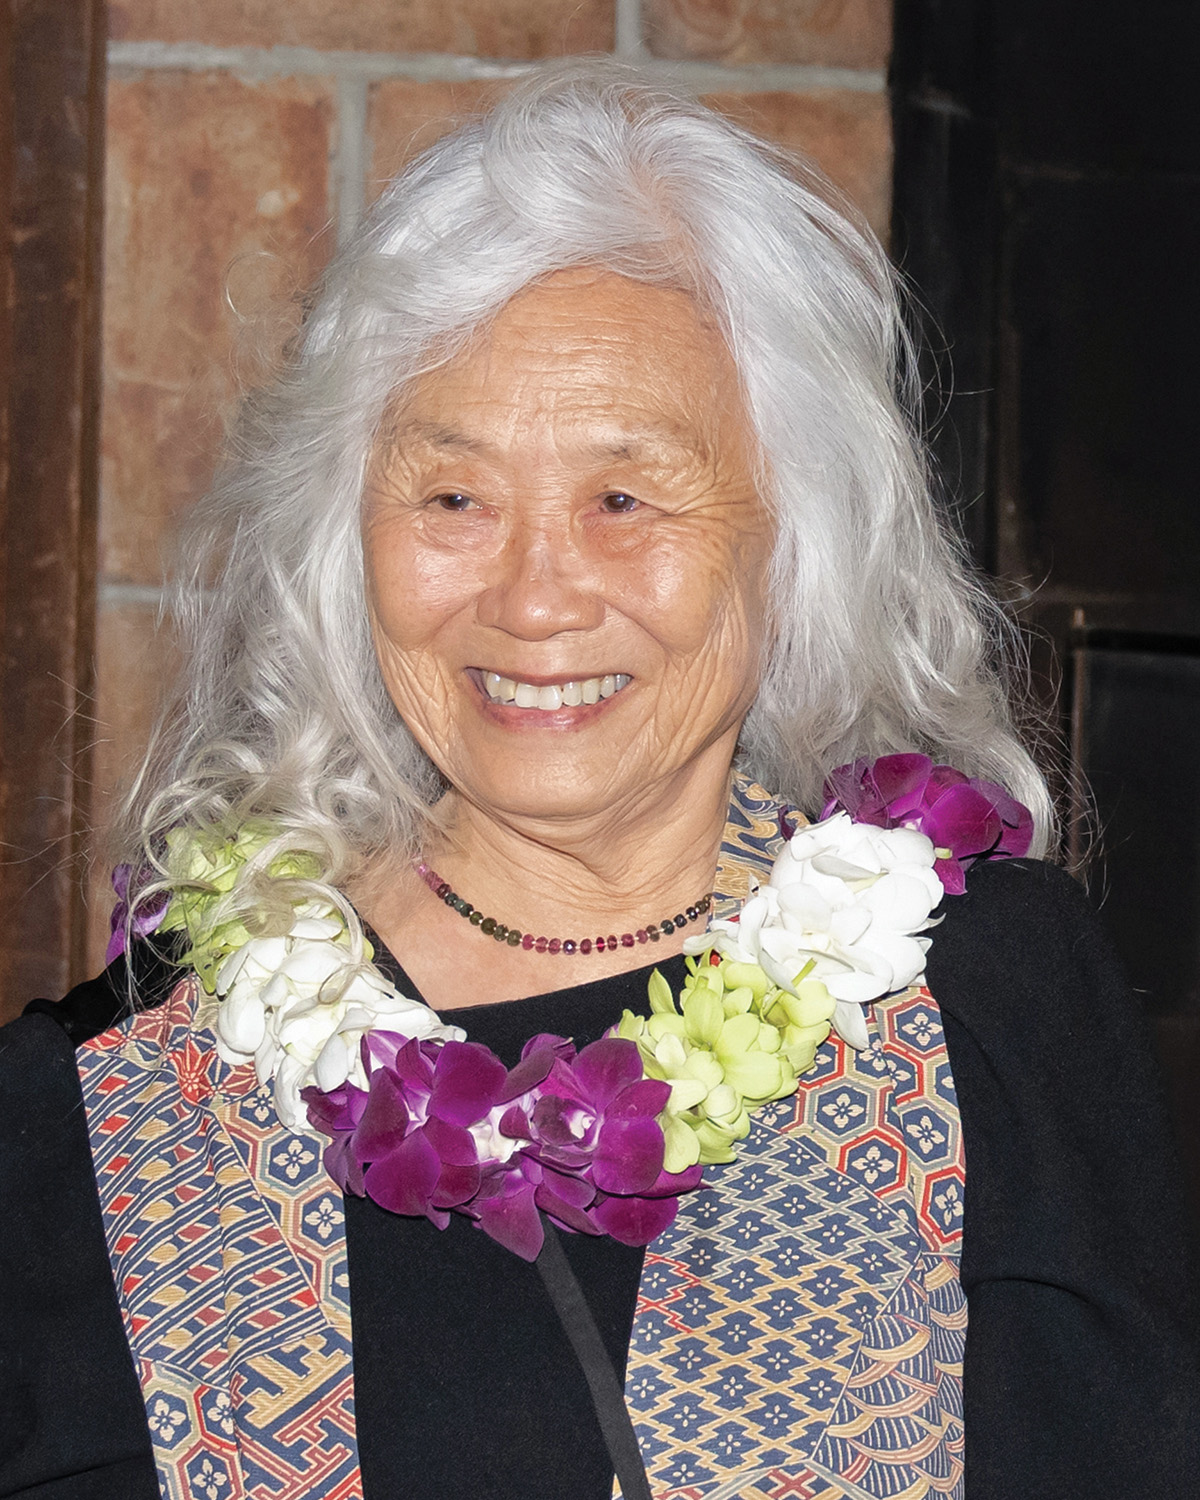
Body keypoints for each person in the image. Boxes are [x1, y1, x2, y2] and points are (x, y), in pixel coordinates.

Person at [1, 65, 1196, 1500]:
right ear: (347, 536)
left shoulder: (985, 1006)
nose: (538, 598)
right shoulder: (114, 1096)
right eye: (453, 497)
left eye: (625, 498)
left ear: (788, 538)